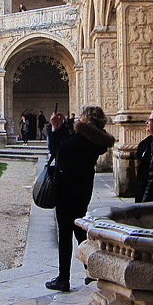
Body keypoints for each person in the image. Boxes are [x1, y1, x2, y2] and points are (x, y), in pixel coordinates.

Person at [45, 105, 115, 292]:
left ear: (86, 119)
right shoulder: (95, 140)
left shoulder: (79, 139)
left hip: (67, 189)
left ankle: (63, 278)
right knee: (79, 230)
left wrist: (55, 129)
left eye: (82, 116)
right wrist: (63, 129)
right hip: (83, 189)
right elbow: (68, 148)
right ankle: (92, 271)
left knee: (66, 233)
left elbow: (57, 153)